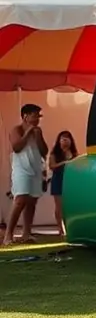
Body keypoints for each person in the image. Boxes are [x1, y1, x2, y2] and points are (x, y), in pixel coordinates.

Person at [3, 103, 47, 246]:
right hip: (21, 169)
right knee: (20, 200)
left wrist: (39, 136)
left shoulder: (38, 131)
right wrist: (28, 133)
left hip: (35, 168)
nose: (37, 119)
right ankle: (8, 235)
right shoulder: (17, 129)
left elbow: (44, 151)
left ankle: (26, 233)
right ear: (25, 116)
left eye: (38, 116)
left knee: (32, 201)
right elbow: (16, 147)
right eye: (34, 116)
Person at [47, 130, 79, 240]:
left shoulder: (74, 154)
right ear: (59, 141)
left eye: (67, 138)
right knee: (59, 206)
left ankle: (70, 226)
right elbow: (52, 166)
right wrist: (64, 163)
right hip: (58, 180)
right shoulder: (54, 154)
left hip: (70, 181)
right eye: (62, 138)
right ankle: (60, 228)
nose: (65, 140)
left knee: (69, 205)